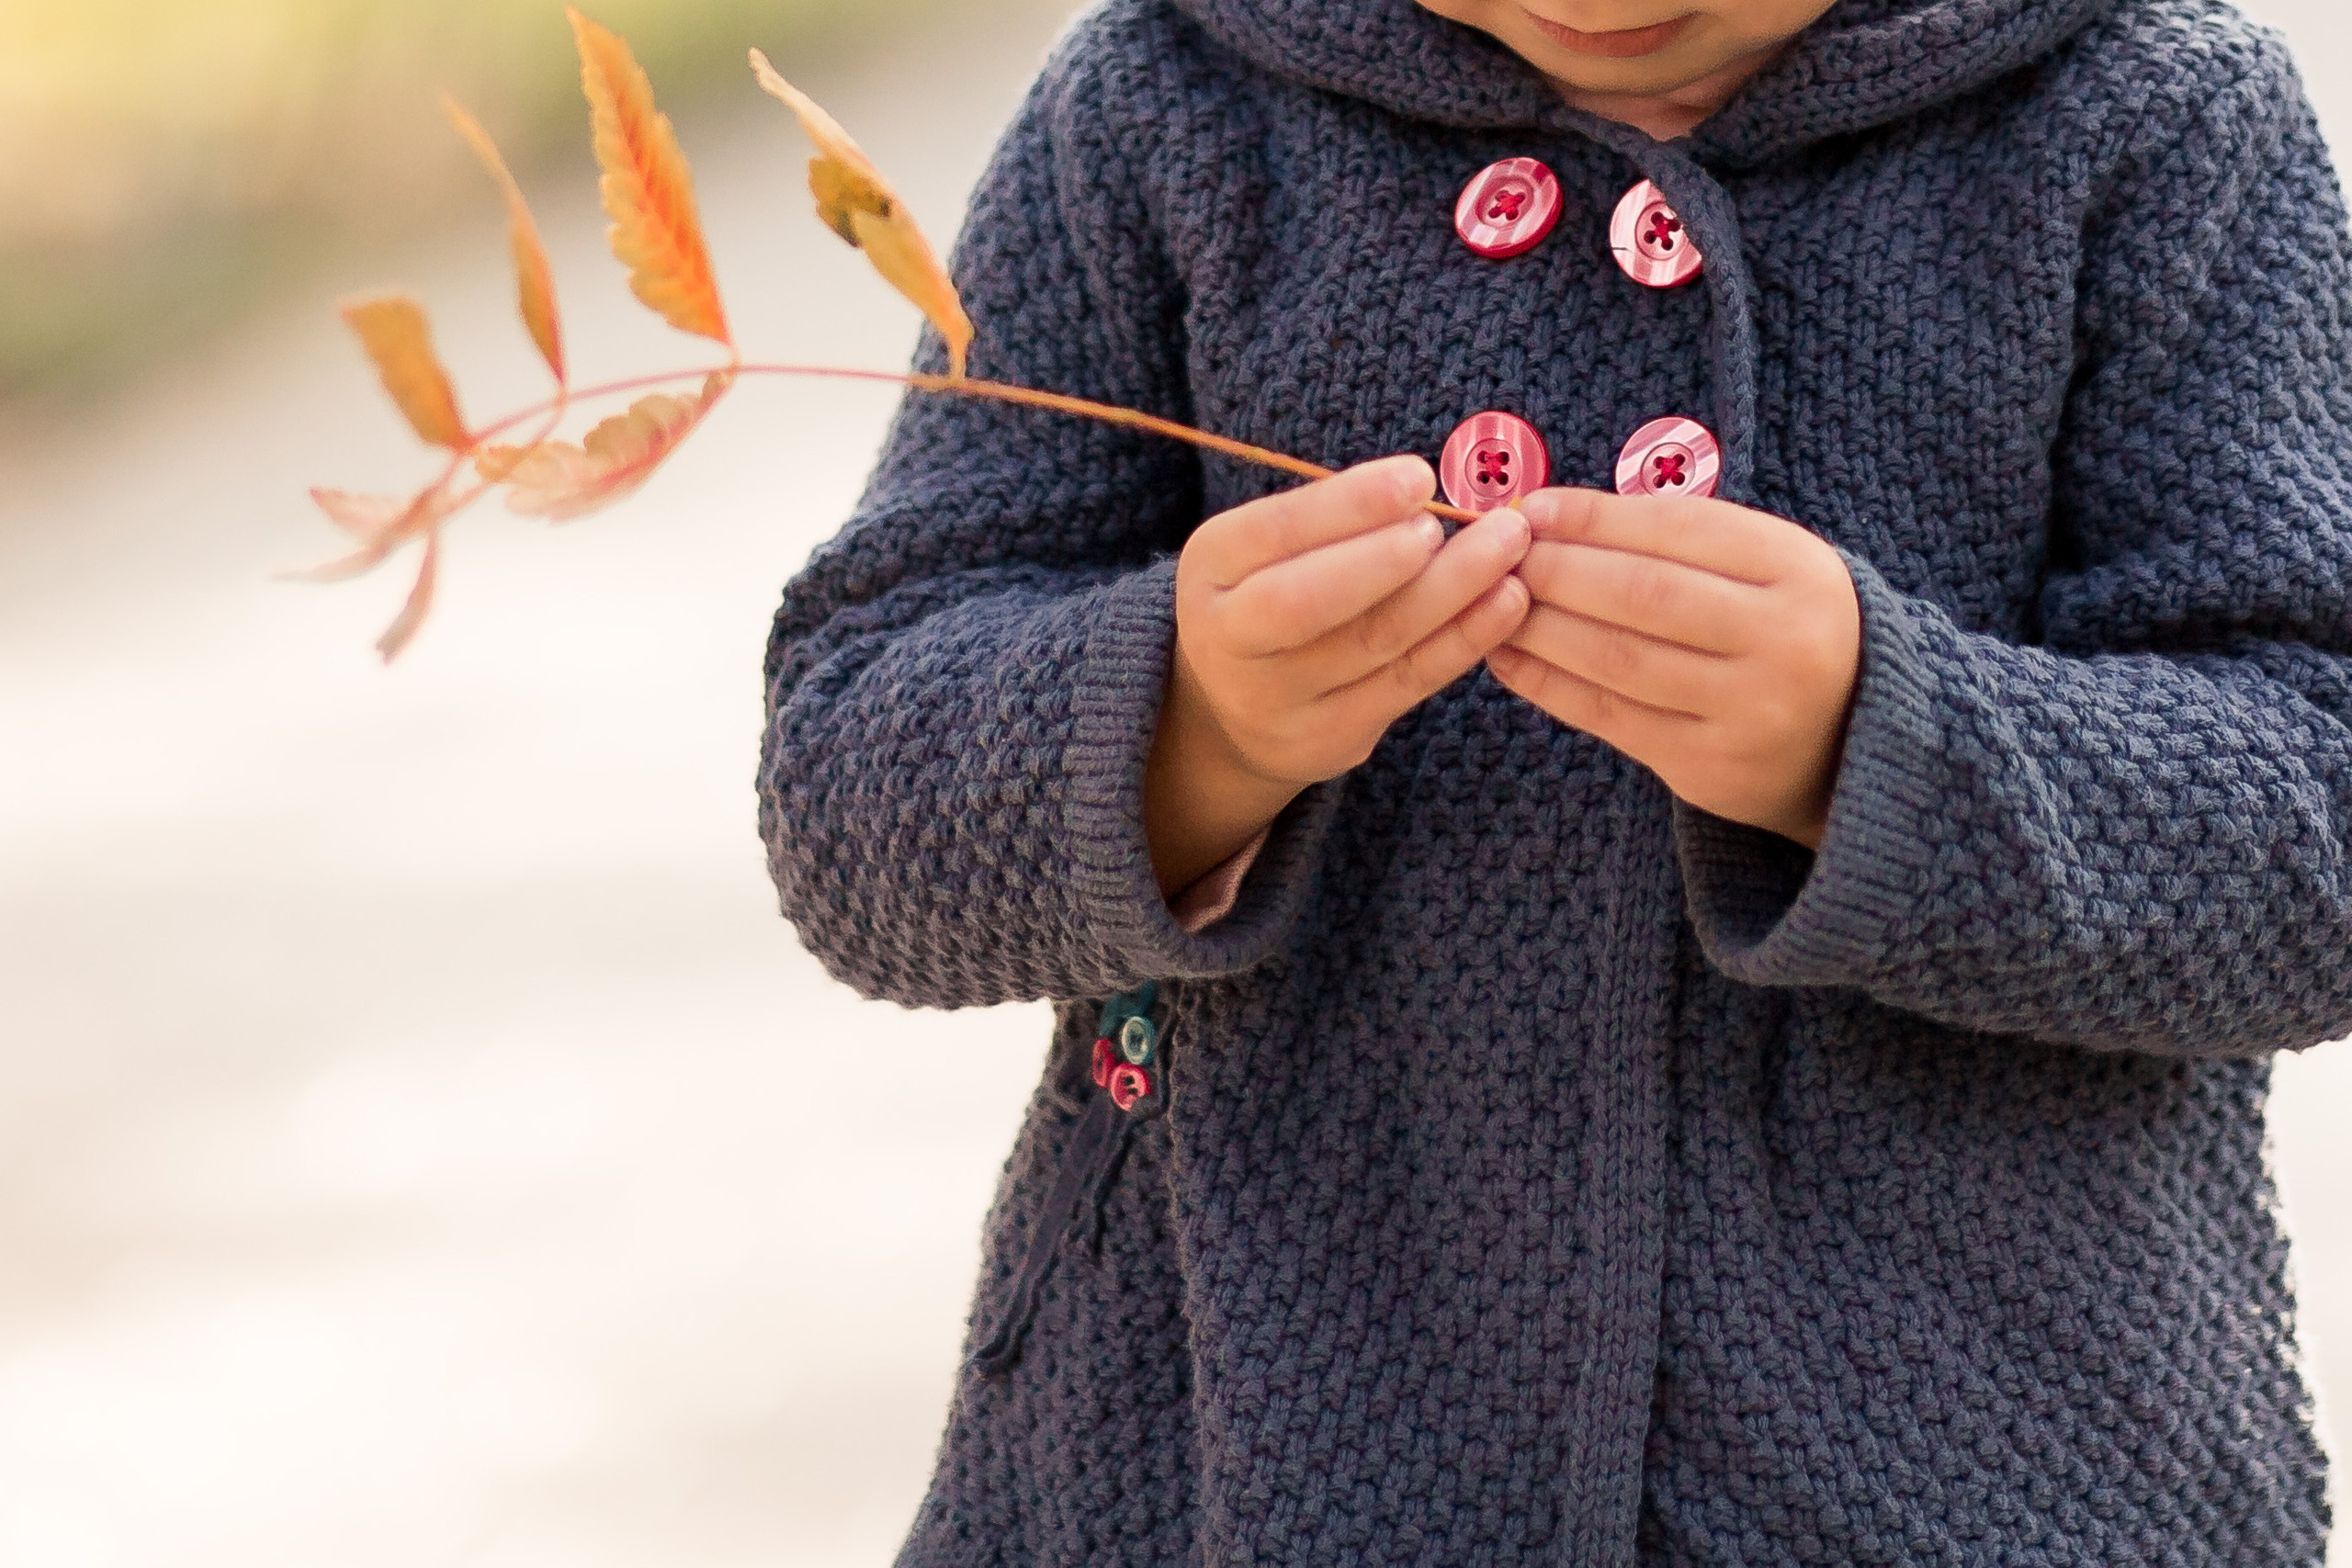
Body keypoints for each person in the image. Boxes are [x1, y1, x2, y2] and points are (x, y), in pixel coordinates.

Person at [758, 0, 2352, 1559]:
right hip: (1221, 1449)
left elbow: (2318, 817)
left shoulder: (2150, 123)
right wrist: (1192, 731)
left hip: (2001, 1458)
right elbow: (848, 789)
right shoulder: (1167, 105)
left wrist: (1883, 749)